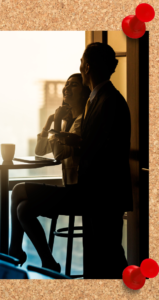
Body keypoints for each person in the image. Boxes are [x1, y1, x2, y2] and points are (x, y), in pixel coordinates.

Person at [60, 42, 133, 279]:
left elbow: (99, 147)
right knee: (102, 252)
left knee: (108, 253)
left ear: (87, 66)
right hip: (100, 192)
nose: (79, 66)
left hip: (104, 192)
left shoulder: (106, 100)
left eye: (81, 61)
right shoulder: (102, 98)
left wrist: (76, 142)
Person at [8, 73, 90, 272]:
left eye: (73, 85)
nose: (66, 89)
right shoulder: (68, 122)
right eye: (66, 85)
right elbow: (39, 151)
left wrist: (55, 124)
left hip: (79, 193)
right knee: (23, 210)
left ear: (84, 93)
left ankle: (14, 250)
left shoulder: (82, 122)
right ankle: (48, 263)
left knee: (18, 190)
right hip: (70, 190)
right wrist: (50, 122)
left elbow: (60, 153)